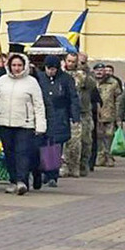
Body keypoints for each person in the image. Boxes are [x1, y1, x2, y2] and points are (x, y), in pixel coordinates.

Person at [0, 53, 47, 195]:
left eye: (19, 65)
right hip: (4, 122)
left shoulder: (31, 82)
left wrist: (41, 125)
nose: (16, 68)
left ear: (24, 66)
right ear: (9, 66)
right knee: (9, 153)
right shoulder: (2, 80)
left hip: (25, 124)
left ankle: (21, 181)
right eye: (14, 65)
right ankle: (12, 180)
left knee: (22, 153)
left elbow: (39, 105)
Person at [35, 55, 79, 188]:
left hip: (60, 116)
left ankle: (52, 175)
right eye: (48, 69)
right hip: (43, 115)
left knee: (55, 146)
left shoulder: (66, 79)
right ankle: (43, 170)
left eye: (53, 69)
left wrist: (75, 116)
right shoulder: (40, 78)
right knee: (42, 145)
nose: (50, 72)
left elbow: (73, 98)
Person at [95, 63, 123, 167]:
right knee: (98, 137)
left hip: (109, 113)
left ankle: (109, 156)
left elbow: (118, 99)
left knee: (109, 136)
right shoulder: (91, 82)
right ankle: (100, 156)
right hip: (95, 114)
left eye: (101, 70)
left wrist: (118, 113)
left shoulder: (113, 83)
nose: (99, 72)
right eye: (97, 70)